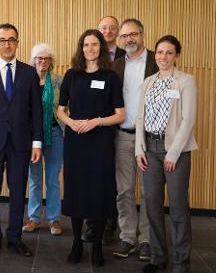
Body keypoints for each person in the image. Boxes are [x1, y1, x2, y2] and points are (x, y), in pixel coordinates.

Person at [0, 23, 43, 258]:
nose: (7, 44)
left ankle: (14, 237)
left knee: (17, 192)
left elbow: (36, 111)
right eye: (2, 40)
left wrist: (37, 143)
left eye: (11, 39)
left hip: (21, 144)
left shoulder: (29, 72)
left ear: (17, 42)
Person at [57, 29, 125, 267]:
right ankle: (77, 243)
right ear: (81, 48)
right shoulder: (71, 75)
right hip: (75, 141)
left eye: (95, 44)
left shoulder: (110, 77)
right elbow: (60, 109)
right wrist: (72, 123)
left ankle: (96, 246)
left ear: (102, 48)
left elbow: (120, 114)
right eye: (86, 45)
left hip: (100, 142)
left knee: (98, 191)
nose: (90, 49)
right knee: (76, 190)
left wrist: (97, 121)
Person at [135, 35, 197, 273]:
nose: (163, 57)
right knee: (151, 205)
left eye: (169, 53)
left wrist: (173, 152)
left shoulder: (185, 81)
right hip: (149, 150)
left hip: (176, 152)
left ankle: (182, 263)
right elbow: (140, 117)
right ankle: (158, 257)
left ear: (176, 56)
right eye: (160, 52)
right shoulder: (148, 82)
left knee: (179, 208)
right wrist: (139, 148)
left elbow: (188, 119)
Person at [112, 18, 157, 260]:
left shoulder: (155, 61)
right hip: (123, 136)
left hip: (150, 138)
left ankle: (147, 240)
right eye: (125, 36)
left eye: (133, 34)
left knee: (149, 191)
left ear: (142, 35)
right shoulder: (117, 66)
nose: (129, 39)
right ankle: (127, 237)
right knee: (124, 190)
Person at [83, 15, 127, 245]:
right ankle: (92, 224)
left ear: (117, 31)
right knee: (93, 177)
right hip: (96, 130)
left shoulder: (124, 56)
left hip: (119, 125)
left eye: (112, 28)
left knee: (112, 179)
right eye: (104, 28)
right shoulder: (87, 62)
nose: (108, 31)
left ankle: (110, 225)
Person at [22, 43, 64, 236]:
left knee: (53, 179)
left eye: (46, 58)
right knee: (35, 179)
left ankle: (54, 220)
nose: (43, 62)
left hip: (55, 134)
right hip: (32, 138)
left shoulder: (58, 81)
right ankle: (34, 218)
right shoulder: (26, 80)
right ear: (33, 61)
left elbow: (65, 106)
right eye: (39, 58)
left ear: (51, 62)